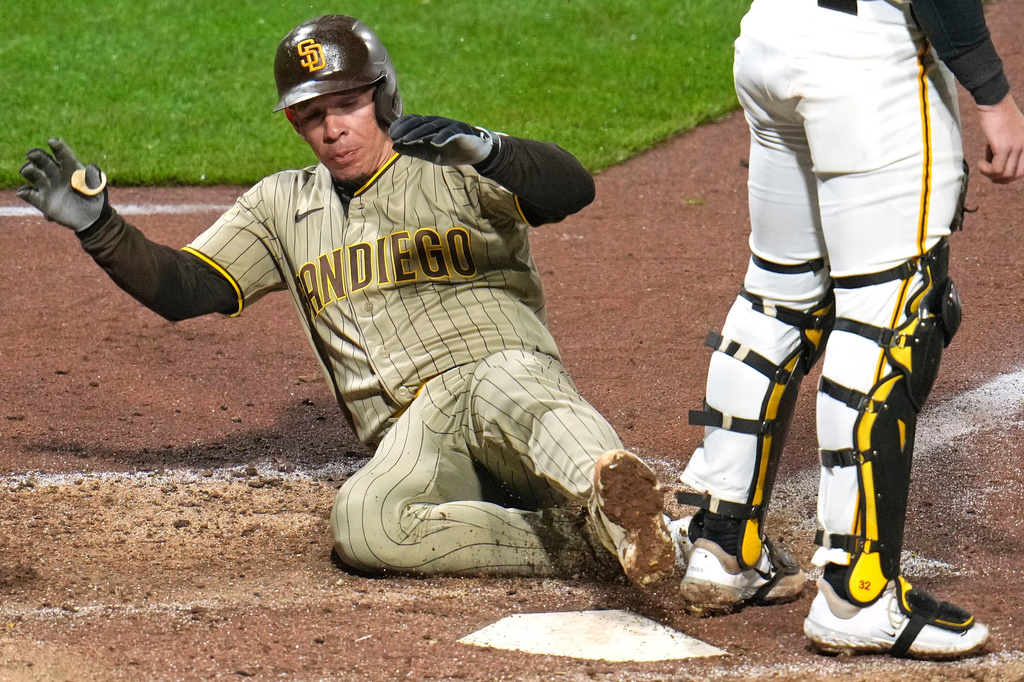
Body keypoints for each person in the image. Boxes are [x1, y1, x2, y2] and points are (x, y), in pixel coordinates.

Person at [16, 15, 685, 585]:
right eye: (311, 116)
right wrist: (101, 229)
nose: (332, 128)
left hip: (499, 374)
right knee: (365, 527)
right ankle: (597, 543)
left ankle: (640, 517)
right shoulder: (281, 205)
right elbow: (185, 288)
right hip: (417, 432)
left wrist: (489, 150)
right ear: (294, 124)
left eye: (346, 105)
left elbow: (571, 190)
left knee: (526, 399)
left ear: (383, 96)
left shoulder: (452, 161)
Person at [675, 0, 1024, 659]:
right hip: (865, 67)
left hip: (771, 37)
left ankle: (723, 544)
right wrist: (993, 94)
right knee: (893, 322)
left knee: (779, 298)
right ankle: (858, 594)